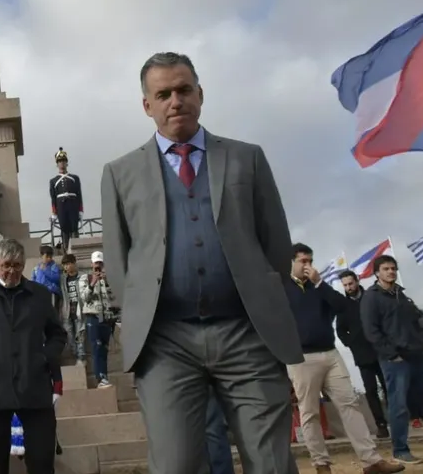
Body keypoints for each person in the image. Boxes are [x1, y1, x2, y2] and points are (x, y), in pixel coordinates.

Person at [99, 51, 303, 473]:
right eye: (163, 94)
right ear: (147, 105)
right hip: (165, 343)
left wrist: (262, 302)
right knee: (174, 464)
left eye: (184, 90)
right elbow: (118, 261)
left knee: (271, 462)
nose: (175, 101)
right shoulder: (120, 173)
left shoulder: (247, 158)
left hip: (247, 334)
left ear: (200, 94)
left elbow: (276, 243)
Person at [283, 244, 400, 473]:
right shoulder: (282, 288)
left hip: (331, 354)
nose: (308, 265)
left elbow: (344, 307)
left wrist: (319, 283)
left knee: (350, 405)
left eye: (310, 261)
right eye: (303, 261)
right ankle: (321, 464)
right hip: (301, 358)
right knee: (310, 412)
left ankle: (371, 461)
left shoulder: (319, 286)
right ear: (292, 262)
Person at [0, 239, 67, 474]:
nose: (11, 271)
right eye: (6, 265)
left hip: (35, 386)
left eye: (17, 265)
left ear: (24, 265)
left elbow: (57, 334)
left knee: (42, 459)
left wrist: (46, 356)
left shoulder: (40, 295)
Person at [361, 254, 423, 465]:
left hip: (419, 356)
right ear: (377, 273)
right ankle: (400, 450)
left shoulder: (401, 295)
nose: (391, 272)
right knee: (399, 405)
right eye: (386, 269)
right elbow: (371, 331)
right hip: (395, 360)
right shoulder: (371, 298)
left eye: (393, 268)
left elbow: (420, 320)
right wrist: (391, 354)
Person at [335, 269, 390, 437]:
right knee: (370, 390)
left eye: (350, 283)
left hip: (381, 351)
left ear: (357, 281)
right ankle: (381, 424)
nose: (348, 287)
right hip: (362, 355)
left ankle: (397, 419)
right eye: (345, 285)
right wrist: (352, 343)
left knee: (389, 386)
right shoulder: (343, 306)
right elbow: (341, 331)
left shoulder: (371, 298)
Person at [78, 251, 118, 388]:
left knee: (104, 349)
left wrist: (106, 283)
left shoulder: (108, 278)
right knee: (96, 347)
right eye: (96, 263)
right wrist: (92, 283)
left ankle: (104, 377)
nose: (98, 266)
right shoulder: (85, 278)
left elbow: (115, 298)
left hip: (107, 317)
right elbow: (84, 298)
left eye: (100, 263)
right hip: (93, 316)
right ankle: (100, 378)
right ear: (91, 264)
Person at [49, 148, 83, 252]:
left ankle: (76, 249)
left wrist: (80, 210)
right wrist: (54, 212)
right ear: (57, 164)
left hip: (73, 204)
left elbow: (79, 195)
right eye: (60, 161)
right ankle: (66, 250)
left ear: (66, 163)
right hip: (61, 206)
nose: (62, 163)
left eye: (63, 161)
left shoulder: (75, 178)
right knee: (64, 227)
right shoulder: (53, 181)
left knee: (74, 227)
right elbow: (53, 197)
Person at [58, 253, 84, 361]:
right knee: (69, 334)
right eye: (64, 265)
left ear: (74, 263)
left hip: (79, 310)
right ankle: (74, 353)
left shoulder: (82, 276)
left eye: (68, 264)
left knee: (80, 333)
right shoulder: (62, 279)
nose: (66, 267)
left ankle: (81, 355)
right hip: (67, 310)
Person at [31, 246, 62, 310]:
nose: (49, 259)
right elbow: (33, 281)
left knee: (52, 311)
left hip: (51, 292)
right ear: (41, 256)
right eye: (47, 257)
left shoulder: (54, 266)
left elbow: (56, 278)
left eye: (50, 257)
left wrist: (45, 270)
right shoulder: (36, 268)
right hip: (40, 293)